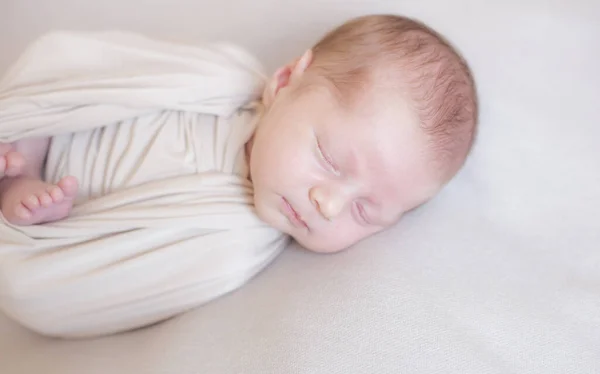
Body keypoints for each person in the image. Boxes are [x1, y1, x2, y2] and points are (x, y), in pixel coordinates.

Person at [0, 14, 477, 254]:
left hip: (75, 217)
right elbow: (107, 72)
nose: (327, 205)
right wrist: (34, 120)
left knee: (37, 207)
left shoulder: (233, 243)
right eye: (329, 159)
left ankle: (23, 196)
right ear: (286, 80)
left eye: (364, 212)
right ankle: (22, 159)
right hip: (60, 132)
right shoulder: (219, 78)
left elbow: (117, 274)